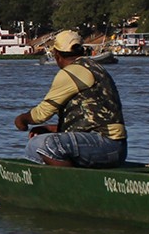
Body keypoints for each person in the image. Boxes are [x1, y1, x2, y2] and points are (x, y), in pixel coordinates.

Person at [13, 30, 127, 168]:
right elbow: (92, 121)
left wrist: (21, 120)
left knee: (42, 144)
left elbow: (41, 114)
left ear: (57, 54)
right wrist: (52, 129)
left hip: (106, 146)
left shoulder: (71, 72)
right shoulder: (95, 67)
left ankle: (71, 185)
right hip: (116, 147)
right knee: (41, 144)